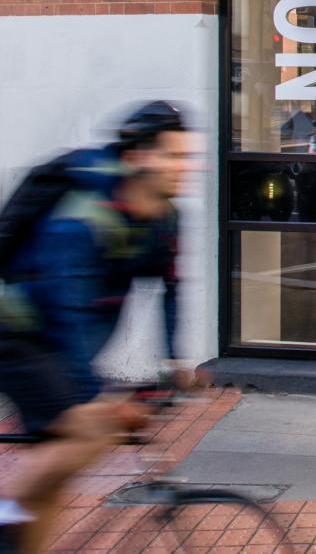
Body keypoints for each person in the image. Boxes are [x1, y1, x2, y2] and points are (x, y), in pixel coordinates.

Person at [0, 101, 200, 554]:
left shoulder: (164, 218)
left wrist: (175, 361)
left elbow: (171, 287)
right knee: (88, 429)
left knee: (59, 462)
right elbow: (65, 311)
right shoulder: (84, 217)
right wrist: (96, 395)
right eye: (172, 156)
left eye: (188, 156)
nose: (183, 168)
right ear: (137, 158)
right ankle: (6, 515)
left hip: (57, 343)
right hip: (18, 333)